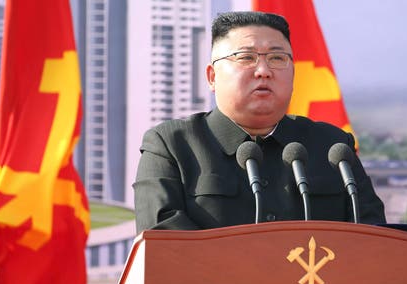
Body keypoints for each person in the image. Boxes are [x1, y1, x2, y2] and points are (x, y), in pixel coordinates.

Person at [133, 11, 385, 233]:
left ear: (293, 75)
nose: (263, 70)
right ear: (212, 77)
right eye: (246, 57)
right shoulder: (171, 145)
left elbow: (372, 234)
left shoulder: (332, 147)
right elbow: (162, 237)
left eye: (277, 58)